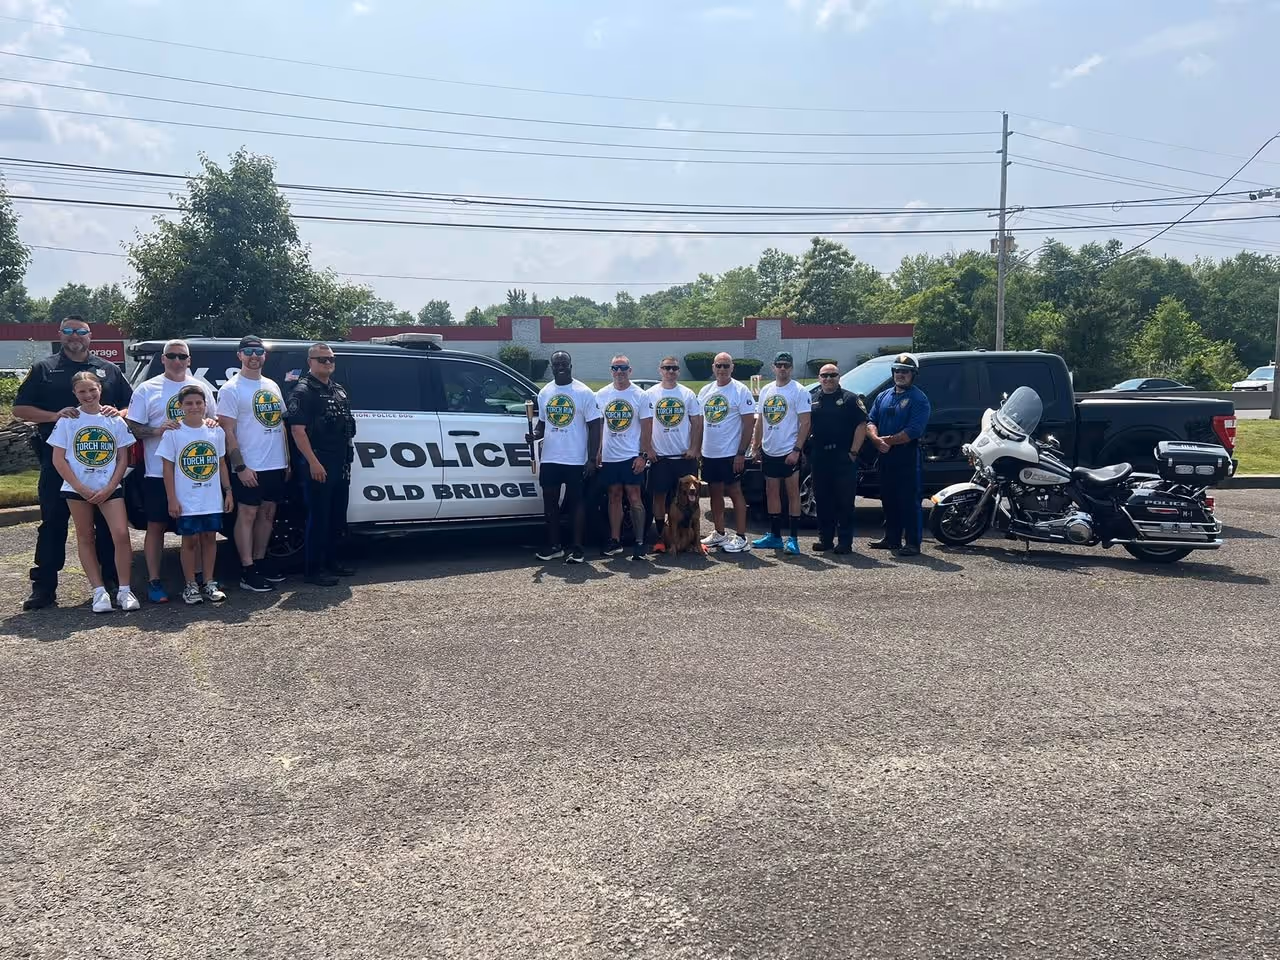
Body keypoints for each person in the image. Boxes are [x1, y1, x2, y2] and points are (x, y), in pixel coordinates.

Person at [12, 315, 133, 611]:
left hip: (103, 463)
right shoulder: (45, 369)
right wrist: (56, 416)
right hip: (59, 463)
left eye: (80, 331)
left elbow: (132, 405)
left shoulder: (109, 369)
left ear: (90, 336)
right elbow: (19, 408)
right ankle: (44, 588)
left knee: (107, 528)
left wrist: (117, 412)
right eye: (68, 331)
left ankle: (111, 585)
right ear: (60, 334)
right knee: (53, 524)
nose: (74, 336)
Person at [126, 339, 217, 603]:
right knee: (156, 525)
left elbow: (212, 419)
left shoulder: (202, 388)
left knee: (199, 531)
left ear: (189, 360)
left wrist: (212, 420)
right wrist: (157, 431)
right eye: (172, 356)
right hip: (158, 472)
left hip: (197, 473)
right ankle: (154, 581)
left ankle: (198, 579)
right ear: (163, 359)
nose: (177, 361)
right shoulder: (147, 388)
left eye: (182, 356)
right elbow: (132, 426)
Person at [47, 371, 138, 613]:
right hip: (78, 489)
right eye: (82, 391)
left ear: (100, 389)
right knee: (85, 537)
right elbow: (59, 459)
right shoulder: (68, 420)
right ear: (75, 393)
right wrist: (80, 488)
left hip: (110, 488)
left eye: (92, 390)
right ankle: (99, 592)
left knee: (120, 535)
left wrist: (110, 487)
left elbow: (123, 458)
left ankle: (125, 590)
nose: (88, 395)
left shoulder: (114, 419)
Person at [217, 335, 289, 592]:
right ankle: (247, 569)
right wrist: (240, 467)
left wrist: (287, 462)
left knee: (268, 515)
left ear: (264, 355)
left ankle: (260, 561)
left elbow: (280, 424)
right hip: (249, 465)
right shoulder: (231, 389)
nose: (254, 355)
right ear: (240, 356)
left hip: (275, 463)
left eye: (258, 351)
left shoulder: (272, 385)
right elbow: (228, 431)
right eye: (248, 351)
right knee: (247, 514)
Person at [286, 343, 357, 587]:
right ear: (310, 362)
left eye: (330, 359)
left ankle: (332, 562)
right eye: (322, 359)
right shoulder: (303, 391)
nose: (327, 363)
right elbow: (298, 431)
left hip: (340, 461)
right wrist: (313, 463)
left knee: (337, 516)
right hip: (318, 460)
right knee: (319, 517)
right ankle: (313, 570)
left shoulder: (337, 390)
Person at [158, 385, 233, 605]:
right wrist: (172, 498)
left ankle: (209, 582)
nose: (194, 407)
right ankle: (190, 585)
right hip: (186, 499)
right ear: (180, 407)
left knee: (210, 539)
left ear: (206, 405)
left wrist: (228, 492)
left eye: (199, 403)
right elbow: (167, 468)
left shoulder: (215, 431)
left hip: (211, 499)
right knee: (189, 541)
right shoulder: (173, 433)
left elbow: (220, 464)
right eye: (189, 403)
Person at [527, 351, 601, 564]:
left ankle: (577, 547)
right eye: (556, 363)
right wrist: (535, 435)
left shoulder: (583, 392)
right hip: (550, 456)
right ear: (552, 366)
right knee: (549, 501)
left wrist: (592, 459)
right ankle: (554, 546)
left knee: (576, 502)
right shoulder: (545, 392)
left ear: (571, 365)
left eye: (564, 363)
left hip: (575, 458)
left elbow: (594, 425)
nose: (560, 366)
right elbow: (543, 423)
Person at [866, 353, 932, 557]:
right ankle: (891, 538)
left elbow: (914, 430)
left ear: (913, 375)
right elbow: (870, 421)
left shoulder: (918, 399)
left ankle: (912, 543)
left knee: (909, 500)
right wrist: (876, 439)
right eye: (897, 371)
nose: (900, 375)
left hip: (907, 456)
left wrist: (887, 441)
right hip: (885, 455)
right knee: (888, 498)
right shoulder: (883, 396)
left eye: (905, 372)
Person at [749, 351, 811, 556]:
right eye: (779, 365)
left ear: (791, 368)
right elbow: (761, 422)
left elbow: (805, 423)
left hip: (788, 451)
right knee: (771, 492)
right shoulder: (766, 390)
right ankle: (775, 536)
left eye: (786, 365)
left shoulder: (800, 391)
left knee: (793, 493)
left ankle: (792, 538)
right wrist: (756, 446)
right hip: (769, 450)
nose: (782, 368)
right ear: (773, 367)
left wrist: (797, 449)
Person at [595, 354, 652, 561]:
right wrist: (598, 451)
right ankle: (615, 540)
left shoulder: (640, 395)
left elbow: (647, 427)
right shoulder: (601, 395)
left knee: (634, 496)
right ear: (611, 371)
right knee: (614, 496)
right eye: (615, 368)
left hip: (631, 456)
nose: (619, 372)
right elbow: (599, 426)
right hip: (610, 457)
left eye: (623, 368)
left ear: (630, 370)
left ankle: (639, 542)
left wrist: (642, 455)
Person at [697, 353, 756, 553]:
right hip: (709, 452)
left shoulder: (740, 390)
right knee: (714, 492)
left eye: (725, 366)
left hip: (731, 452)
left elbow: (749, 423)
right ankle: (720, 533)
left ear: (732, 367)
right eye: (718, 366)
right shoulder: (705, 391)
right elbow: (700, 423)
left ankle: (741, 537)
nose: (722, 369)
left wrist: (741, 453)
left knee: (735, 491)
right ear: (713, 367)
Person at [808, 363, 867, 555]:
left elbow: (861, 425)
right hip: (820, 457)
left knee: (844, 501)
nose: (828, 379)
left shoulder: (850, 399)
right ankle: (825, 540)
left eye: (832, 375)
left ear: (839, 377)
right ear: (819, 378)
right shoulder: (813, 399)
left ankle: (845, 542)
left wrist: (853, 452)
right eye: (824, 376)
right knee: (822, 500)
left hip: (843, 456)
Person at [645, 356, 702, 554]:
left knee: (690, 499)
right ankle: (662, 537)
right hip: (660, 458)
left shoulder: (687, 394)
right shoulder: (650, 394)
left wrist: (695, 448)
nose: (670, 372)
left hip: (684, 458)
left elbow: (696, 422)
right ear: (660, 370)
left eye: (674, 368)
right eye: (667, 368)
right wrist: (648, 450)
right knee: (659, 498)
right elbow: (645, 424)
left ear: (678, 371)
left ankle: (694, 539)